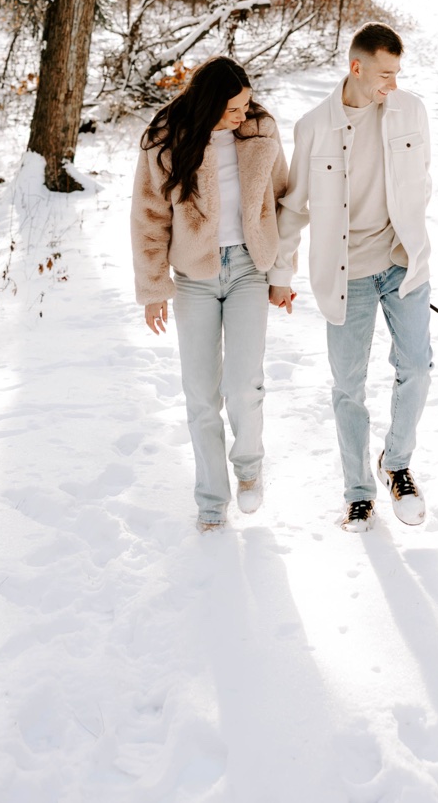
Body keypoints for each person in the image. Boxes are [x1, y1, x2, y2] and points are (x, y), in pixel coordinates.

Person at [270, 22, 435, 530]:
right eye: (385, 74)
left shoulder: (410, 111)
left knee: (418, 368)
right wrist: (281, 272)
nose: (393, 84)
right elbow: (293, 208)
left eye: (398, 73)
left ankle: (397, 463)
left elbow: (421, 180)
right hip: (346, 278)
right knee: (349, 387)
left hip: (403, 265)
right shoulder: (314, 127)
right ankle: (358, 490)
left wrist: (406, 239)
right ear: (356, 67)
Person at [134, 56, 293, 531]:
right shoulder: (165, 139)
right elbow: (149, 217)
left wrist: (282, 273)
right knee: (202, 396)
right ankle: (210, 498)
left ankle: (248, 468)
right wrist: (153, 289)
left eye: (245, 105)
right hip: (194, 278)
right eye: (231, 110)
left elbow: (283, 202)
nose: (241, 116)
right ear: (206, 106)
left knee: (244, 386)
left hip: (249, 269)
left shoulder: (261, 131)